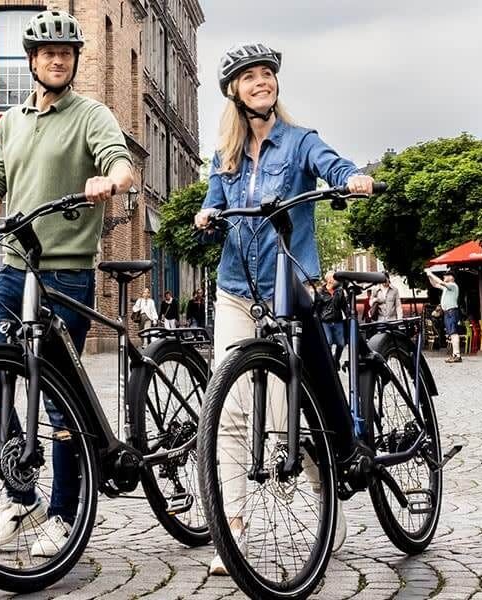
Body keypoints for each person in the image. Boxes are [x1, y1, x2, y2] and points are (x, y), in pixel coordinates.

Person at [189, 41, 376, 576]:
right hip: (235, 290)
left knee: (292, 408)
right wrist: (207, 213)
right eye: (249, 77)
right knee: (225, 409)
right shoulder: (224, 156)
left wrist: (350, 178)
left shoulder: (299, 143)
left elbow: (331, 164)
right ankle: (235, 526)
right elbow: (214, 199)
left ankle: (326, 493)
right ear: (234, 91)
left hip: (289, 290)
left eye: (266, 74)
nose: (260, 81)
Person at [0, 10, 140, 557]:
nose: (56, 59)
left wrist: (110, 180)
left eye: (65, 52)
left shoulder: (92, 115)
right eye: (46, 53)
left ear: (74, 61)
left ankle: (64, 514)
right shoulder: (12, 121)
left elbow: (121, 163)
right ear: (32, 62)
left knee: (60, 400)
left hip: (67, 272)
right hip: (14, 267)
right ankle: (22, 496)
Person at [425, 269, 463, 362]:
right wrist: (429, 276)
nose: (444, 277)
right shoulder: (447, 288)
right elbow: (435, 284)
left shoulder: (452, 285)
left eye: (446, 275)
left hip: (451, 311)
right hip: (447, 312)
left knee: (453, 333)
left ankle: (457, 355)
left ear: (451, 277)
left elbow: (440, 282)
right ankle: (455, 354)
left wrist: (431, 273)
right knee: (451, 333)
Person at [317, 279, 347, 361]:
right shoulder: (321, 292)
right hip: (325, 321)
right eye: (330, 279)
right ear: (327, 280)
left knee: (341, 344)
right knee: (328, 342)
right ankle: (329, 362)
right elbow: (317, 307)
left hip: (338, 321)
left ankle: (336, 360)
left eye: (333, 280)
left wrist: (349, 316)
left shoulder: (339, 291)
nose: (332, 281)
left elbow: (344, 305)